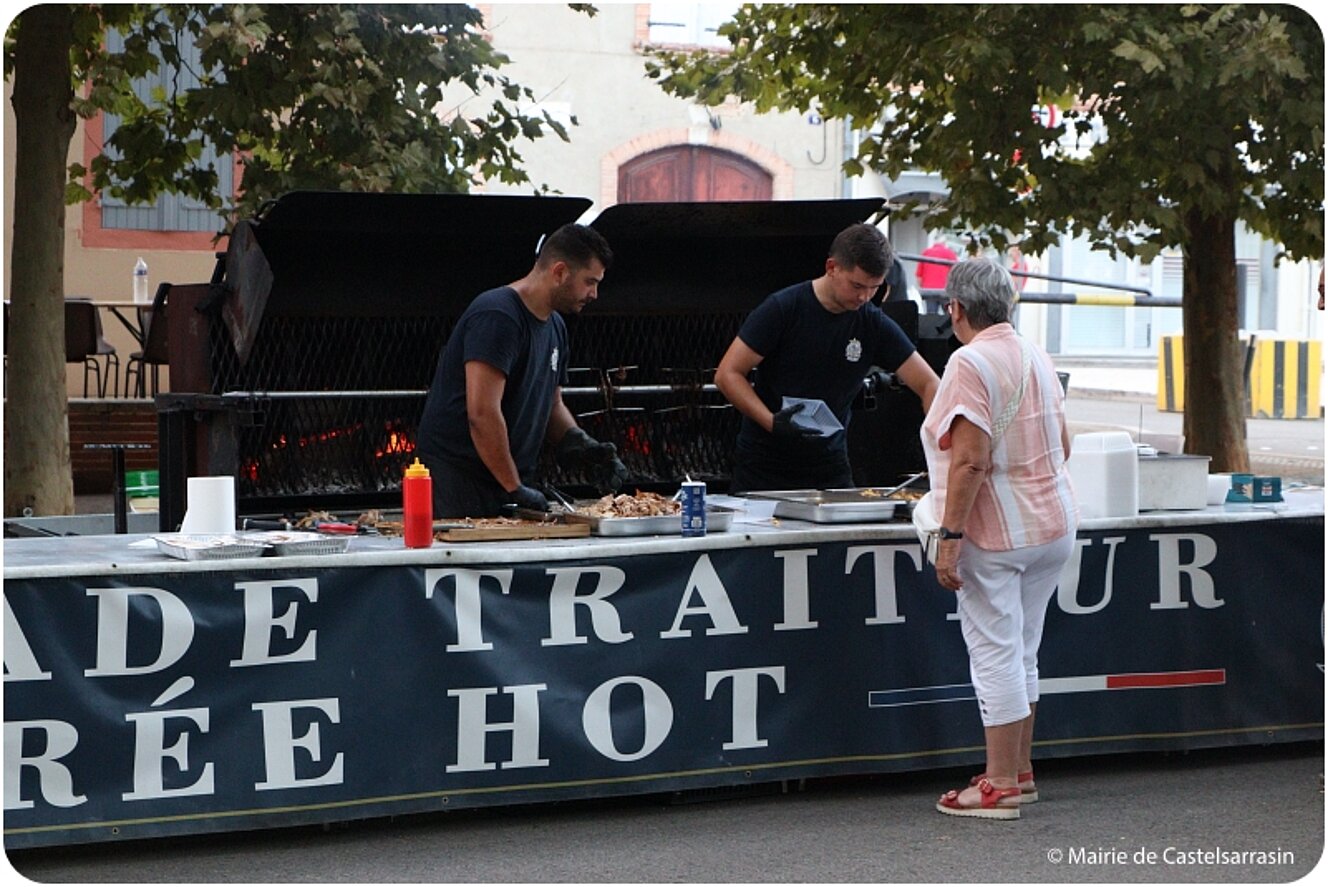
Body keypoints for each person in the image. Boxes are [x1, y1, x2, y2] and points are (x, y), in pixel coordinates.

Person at [922, 257, 1079, 820]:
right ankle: (1020, 770)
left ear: (956, 308)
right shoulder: (1036, 353)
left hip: (998, 533)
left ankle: (999, 786)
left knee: (995, 654)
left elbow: (969, 462)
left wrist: (949, 536)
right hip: (1053, 524)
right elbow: (1063, 440)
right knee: (1024, 651)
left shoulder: (969, 362)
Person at [416, 223, 628, 518]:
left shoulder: (556, 326)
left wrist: (583, 446)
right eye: (590, 282)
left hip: (505, 481)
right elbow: (482, 412)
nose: (594, 294)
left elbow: (552, 405)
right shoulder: (498, 315)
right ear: (559, 272)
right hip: (459, 483)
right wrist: (514, 487)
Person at [715, 222, 939, 493]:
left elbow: (929, 384)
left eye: (874, 288)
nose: (864, 296)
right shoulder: (783, 309)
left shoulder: (872, 323)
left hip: (829, 465)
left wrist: (939, 439)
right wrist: (771, 422)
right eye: (857, 285)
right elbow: (728, 374)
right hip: (765, 464)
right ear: (832, 267)